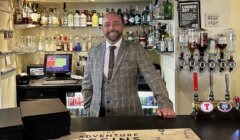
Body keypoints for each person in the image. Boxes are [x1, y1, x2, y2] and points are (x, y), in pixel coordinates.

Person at [82, 12, 175, 118]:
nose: (112, 28)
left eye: (116, 23)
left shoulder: (136, 49)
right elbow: (87, 84)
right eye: (107, 24)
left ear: (122, 26)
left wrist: (165, 104)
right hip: (97, 117)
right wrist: (88, 108)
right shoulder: (93, 52)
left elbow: (153, 77)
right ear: (102, 28)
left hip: (130, 117)